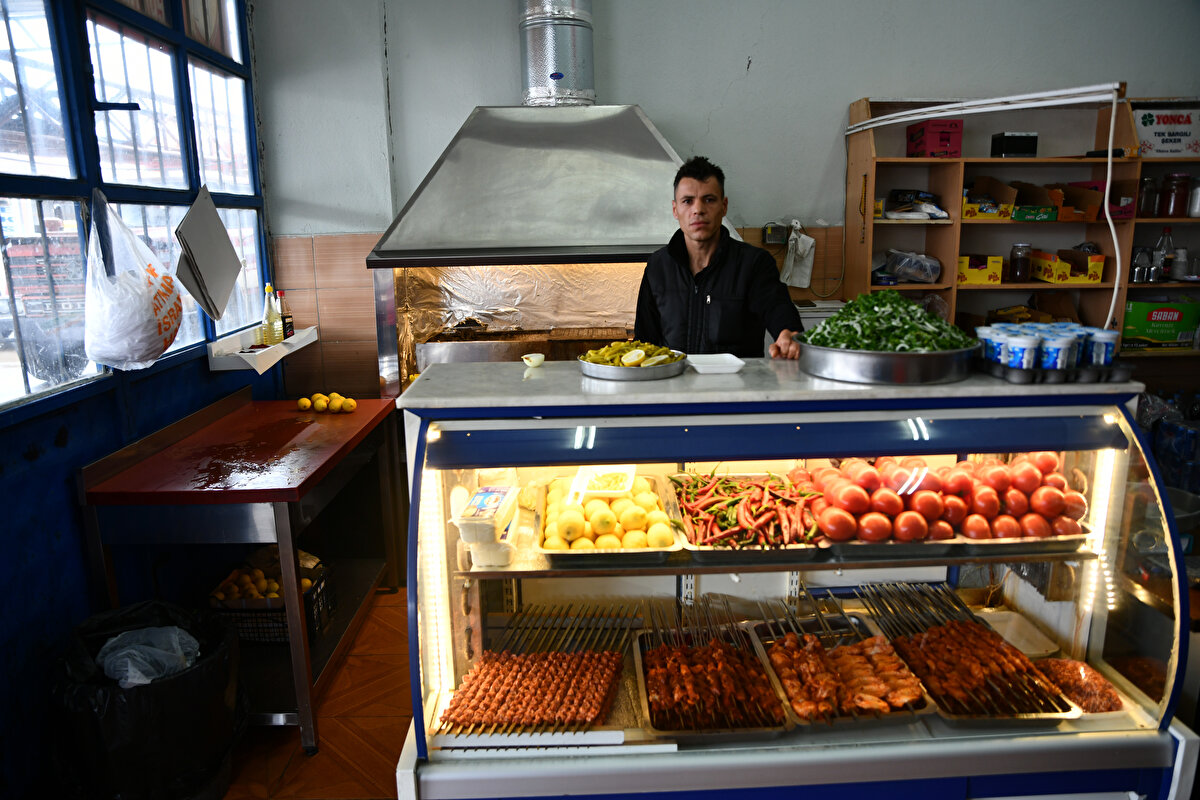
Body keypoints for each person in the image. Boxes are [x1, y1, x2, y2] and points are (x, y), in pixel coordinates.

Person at [634, 156, 802, 359]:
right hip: (673, 385)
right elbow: (644, 341)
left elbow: (776, 306)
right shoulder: (657, 266)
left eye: (709, 199)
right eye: (687, 201)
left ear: (724, 206)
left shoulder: (754, 263)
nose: (698, 209)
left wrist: (787, 332)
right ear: (675, 209)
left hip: (737, 387)